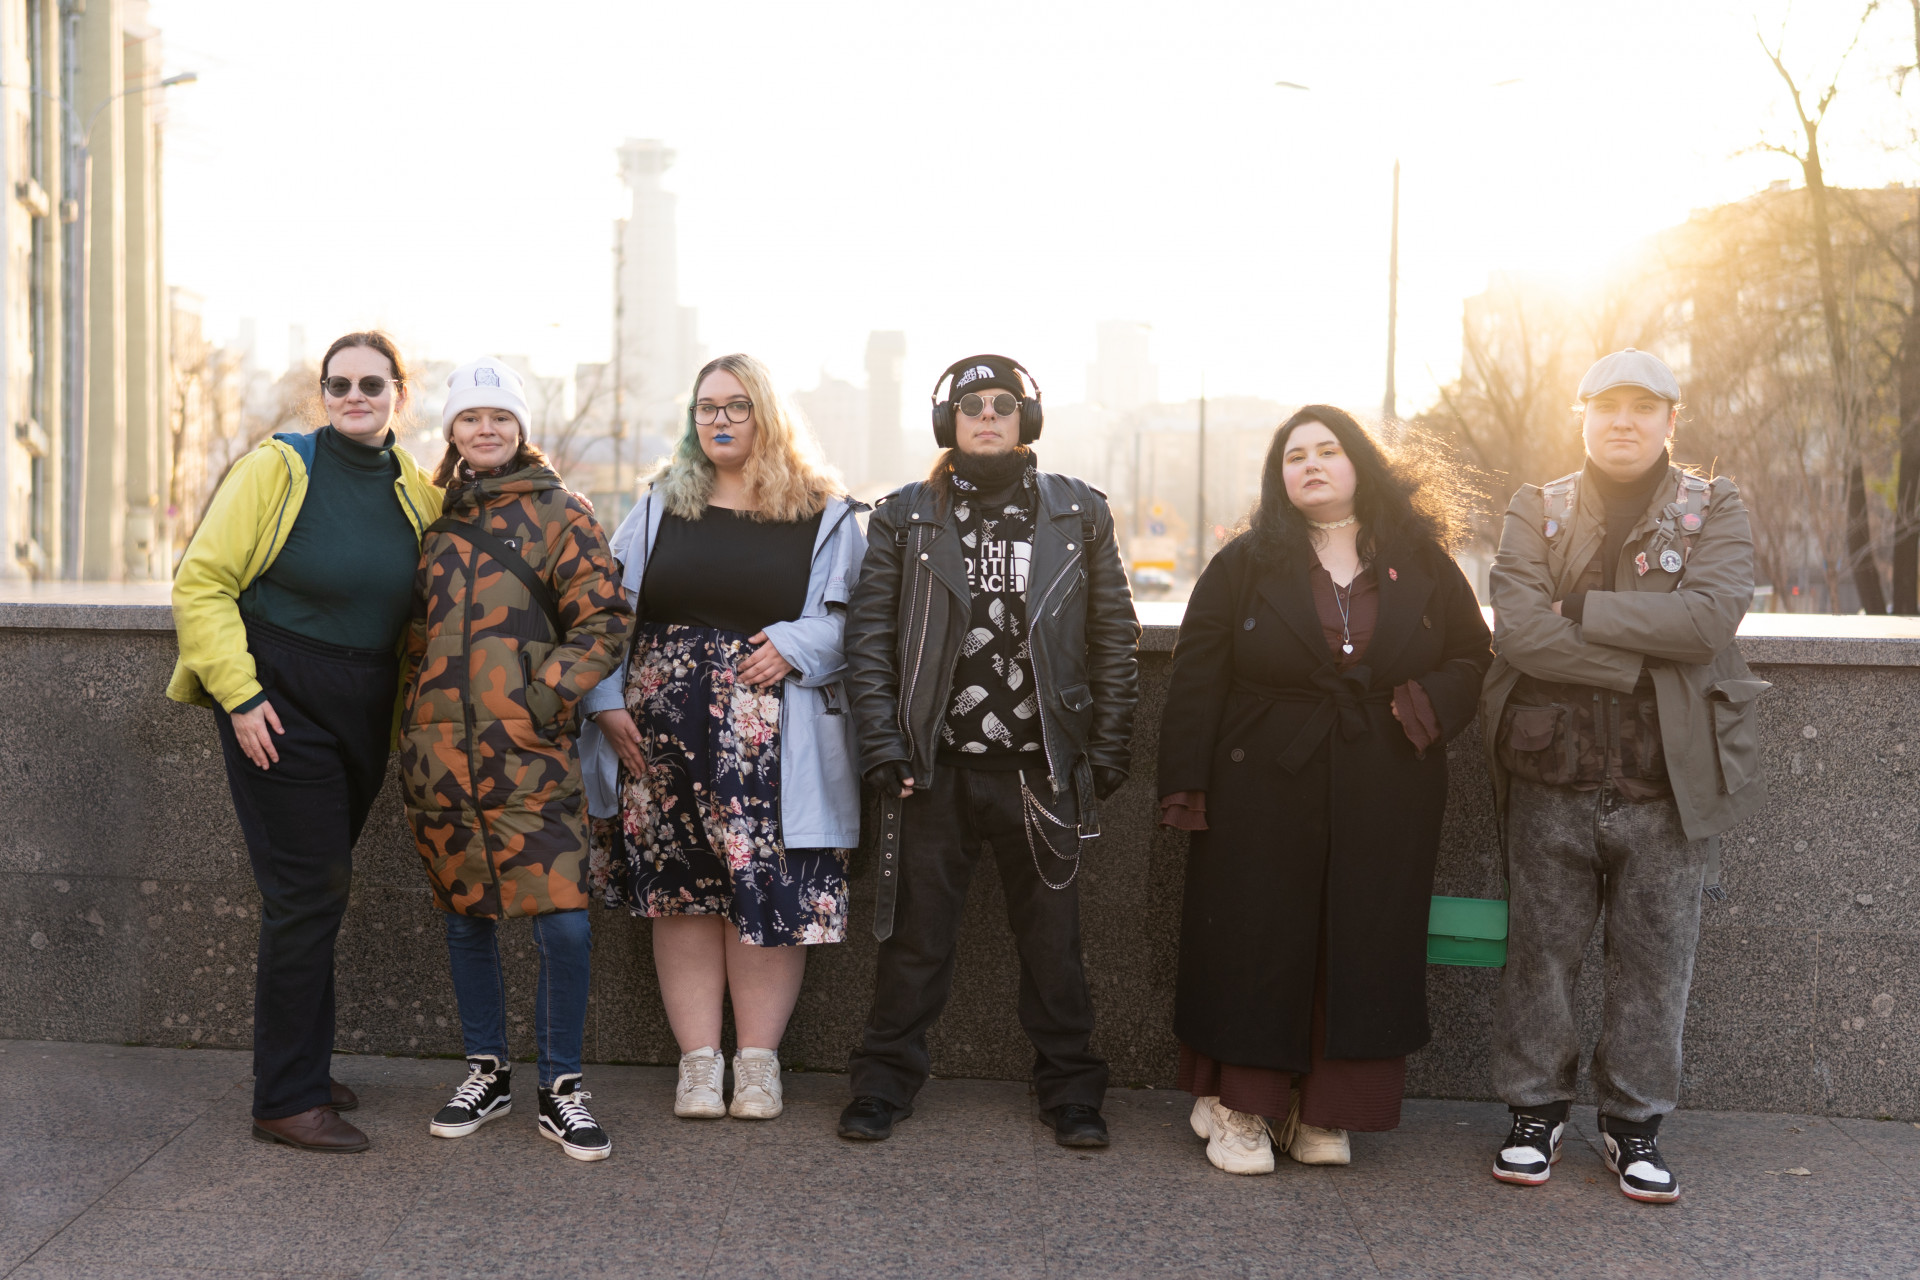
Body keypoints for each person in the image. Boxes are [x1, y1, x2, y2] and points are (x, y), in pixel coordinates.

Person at [1157, 406, 1491, 1175]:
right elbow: (1197, 675)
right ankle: (1240, 1107)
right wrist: (1187, 785)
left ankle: (1324, 1111)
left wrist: (1421, 706)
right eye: (1293, 455)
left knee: (1363, 942)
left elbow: (1473, 654)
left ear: (1359, 464)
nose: (1309, 463)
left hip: (1385, 784)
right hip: (1260, 783)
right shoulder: (1244, 562)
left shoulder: (1420, 560)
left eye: (1328, 450)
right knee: (1256, 940)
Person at [1483, 349, 1765, 1204]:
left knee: (1657, 961)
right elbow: (1518, 629)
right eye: (1607, 406)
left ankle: (1634, 1125)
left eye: (1644, 408)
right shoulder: (1537, 507)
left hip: (1666, 777)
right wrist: (1639, 659)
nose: (1624, 422)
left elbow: (1709, 620)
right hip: (1551, 770)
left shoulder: (1714, 507)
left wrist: (1583, 611)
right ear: (1583, 417)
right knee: (1539, 955)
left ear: (1671, 421)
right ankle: (1534, 1113)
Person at [839, 354, 1140, 1148]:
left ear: (1025, 419)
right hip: (931, 771)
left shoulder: (1078, 512)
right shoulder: (906, 516)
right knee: (912, 944)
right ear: (949, 421)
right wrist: (882, 744)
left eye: (1004, 404)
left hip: (1043, 771)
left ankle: (1072, 1092)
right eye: (972, 405)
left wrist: (1108, 745)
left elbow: (1114, 634)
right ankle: (881, 1085)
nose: (987, 416)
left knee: (1055, 947)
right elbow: (869, 640)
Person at [168, 332, 442, 1152]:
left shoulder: (417, 491)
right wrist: (242, 696)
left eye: (371, 384)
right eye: (339, 384)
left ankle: (304, 1068)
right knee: (307, 892)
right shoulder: (279, 467)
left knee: (317, 892)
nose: (354, 397)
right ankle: (285, 1100)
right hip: (279, 702)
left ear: (399, 395)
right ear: (322, 394)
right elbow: (201, 582)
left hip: (363, 706)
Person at [578, 353, 864, 1123]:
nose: (720, 420)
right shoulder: (660, 505)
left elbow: (856, 623)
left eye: (737, 406)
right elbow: (607, 611)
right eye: (707, 407)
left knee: (767, 896)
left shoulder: (824, 513)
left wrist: (795, 644)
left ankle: (759, 1067)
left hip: (771, 745)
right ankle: (699, 1067)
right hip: (658, 742)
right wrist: (605, 702)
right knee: (682, 898)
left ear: (767, 415)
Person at [401, 358, 631, 1162]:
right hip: (441, 757)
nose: (485, 428)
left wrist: (545, 697)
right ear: (453, 431)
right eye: (470, 417)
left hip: (529, 753)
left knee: (563, 921)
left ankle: (561, 1085)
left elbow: (605, 619)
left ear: (521, 427)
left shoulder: (561, 512)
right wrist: (415, 722)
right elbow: (413, 640)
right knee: (466, 916)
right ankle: (488, 1072)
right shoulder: (434, 523)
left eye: (499, 415)